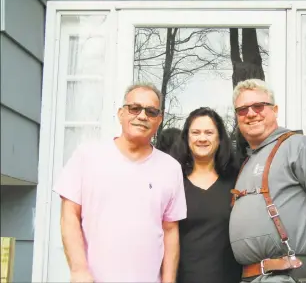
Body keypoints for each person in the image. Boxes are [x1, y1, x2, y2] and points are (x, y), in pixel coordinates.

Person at [53, 82, 187, 283]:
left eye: (151, 112)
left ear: (159, 120)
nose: (142, 116)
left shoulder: (170, 168)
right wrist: (79, 269)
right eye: (134, 108)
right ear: (121, 114)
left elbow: (170, 230)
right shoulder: (88, 156)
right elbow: (69, 215)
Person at [229, 79, 306, 283]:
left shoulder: (298, 146)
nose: (250, 113)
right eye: (242, 109)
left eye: (258, 106)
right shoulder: (248, 162)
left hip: (290, 276)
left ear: (275, 110)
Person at [171, 107, 242, 283]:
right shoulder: (174, 181)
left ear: (219, 139)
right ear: (187, 138)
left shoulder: (237, 180)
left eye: (209, 132)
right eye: (196, 132)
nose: (202, 138)